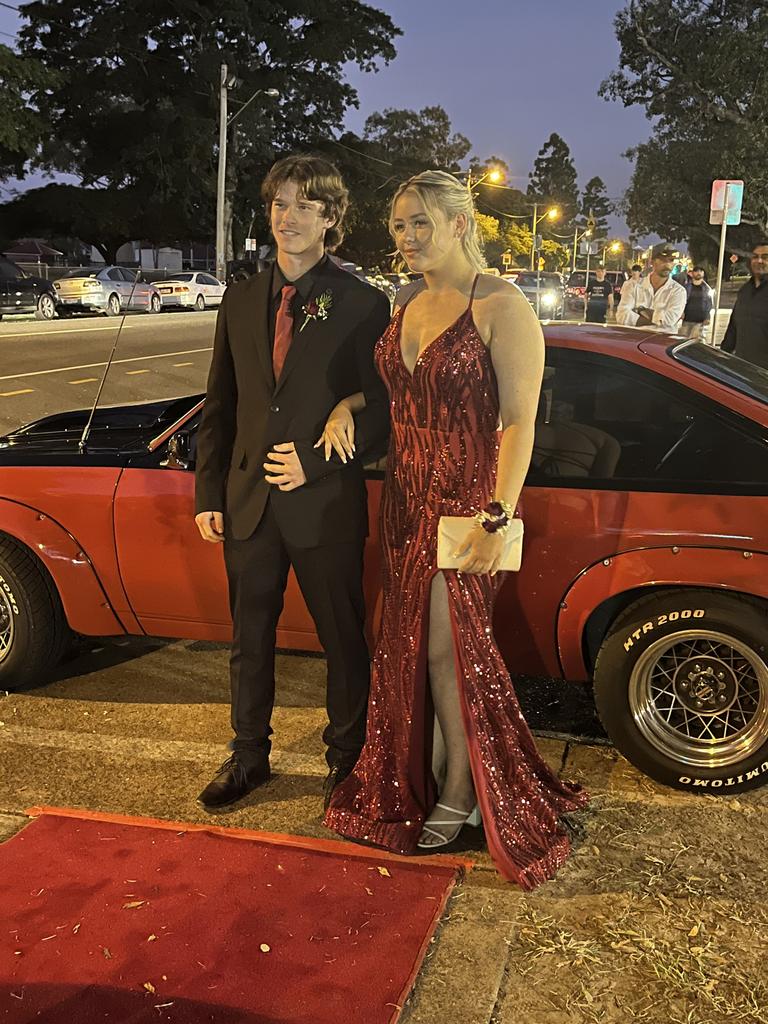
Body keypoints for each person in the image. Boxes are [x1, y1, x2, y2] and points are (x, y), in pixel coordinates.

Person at [321, 170, 588, 889]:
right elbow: (390, 390)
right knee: (407, 647)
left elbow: (520, 421)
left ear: (460, 224)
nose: (406, 239)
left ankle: (464, 794)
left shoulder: (502, 306)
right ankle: (439, 770)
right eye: (399, 227)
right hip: (406, 499)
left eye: (419, 224)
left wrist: (496, 515)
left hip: (470, 505)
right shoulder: (409, 299)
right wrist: (348, 404)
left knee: (447, 651)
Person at [194, 154, 391, 811]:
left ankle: (348, 762)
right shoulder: (243, 296)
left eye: (305, 205)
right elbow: (220, 402)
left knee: (342, 639)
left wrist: (325, 456)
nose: (288, 217)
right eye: (280, 203)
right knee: (249, 642)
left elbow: (386, 407)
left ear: (331, 217)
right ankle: (248, 756)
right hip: (248, 503)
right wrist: (209, 493)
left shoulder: (363, 303)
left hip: (325, 502)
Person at [616, 243, 686, 332]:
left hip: (663, 342)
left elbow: (670, 320)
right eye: (663, 260)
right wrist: (658, 323)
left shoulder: (678, 291)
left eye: (671, 260)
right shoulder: (633, 286)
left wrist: (641, 311)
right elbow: (621, 316)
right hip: (636, 340)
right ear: (652, 262)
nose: (667, 264)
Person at [721, 242, 768, 368]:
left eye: (765, 257)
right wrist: (723, 355)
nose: (759, 260)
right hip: (742, 369)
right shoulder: (745, 291)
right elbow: (733, 327)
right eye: (755, 256)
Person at [679, 266, 714, 342]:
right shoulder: (686, 287)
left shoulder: (707, 288)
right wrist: (681, 312)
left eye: (701, 271)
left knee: (697, 342)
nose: (698, 273)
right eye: (696, 271)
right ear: (692, 273)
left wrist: (707, 317)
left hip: (700, 320)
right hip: (687, 319)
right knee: (682, 341)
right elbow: (682, 301)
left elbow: (709, 304)